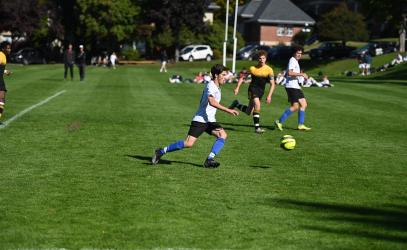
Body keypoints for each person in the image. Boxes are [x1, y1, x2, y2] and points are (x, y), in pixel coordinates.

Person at [152, 64, 239, 168]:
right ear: (216, 75)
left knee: (223, 135)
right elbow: (212, 102)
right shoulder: (211, 86)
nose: (226, 77)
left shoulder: (217, 87)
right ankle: (161, 151)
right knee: (188, 143)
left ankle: (209, 159)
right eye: (223, 75)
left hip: (210, 120)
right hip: (201, 120)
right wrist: (228, 110)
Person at [228, 50, 276, 134]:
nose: (261, 60)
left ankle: (236, 104)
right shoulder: (252, 68)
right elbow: (242, 77)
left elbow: (273, 84)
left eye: (263, 58)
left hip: (261, 91)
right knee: (257, 104)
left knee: (248, 112)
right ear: (258, 59)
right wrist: (237, 87)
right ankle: (257, 128)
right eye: (260, 58)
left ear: (266, 59)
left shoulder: (269, 70)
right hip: (252, 89)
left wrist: (269, 96)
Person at [274, 47, 311, 131]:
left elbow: (292, 74)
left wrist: (299, 83)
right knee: (295, 106)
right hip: (291, 86)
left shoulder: (295, 61)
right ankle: (279, 121)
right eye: (298, 53)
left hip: (295, 86)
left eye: (301, 53)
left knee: (304, 104)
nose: (299, 55)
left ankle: (300, 125)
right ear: (294, 53)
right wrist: (301, 74)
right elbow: (289, 73)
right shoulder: (292, 60)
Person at [0, 41, 12, 121]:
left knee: (1, 101)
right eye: (7, 48)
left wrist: (5, 71)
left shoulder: (3, 55)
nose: (9, 50)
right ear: (3, 48)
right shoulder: (1, 55)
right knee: (1, 101)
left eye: (9, 48)